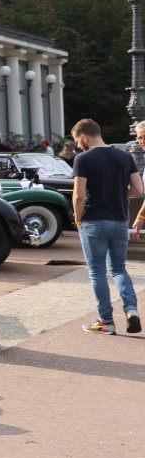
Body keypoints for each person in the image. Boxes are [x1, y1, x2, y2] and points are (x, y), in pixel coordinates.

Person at [70, 118, 141, 334]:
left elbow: (78, 195)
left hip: (94, 220)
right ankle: (131, 310)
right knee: (119, 269)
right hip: (120, 220)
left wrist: (78, 218)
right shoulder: (125, 156)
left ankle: (106, 321)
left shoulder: (83, 159)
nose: (78, 146)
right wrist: (118, 195)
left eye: (77, 141)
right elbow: (138, 189)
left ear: (84, 136)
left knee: (97, 272)